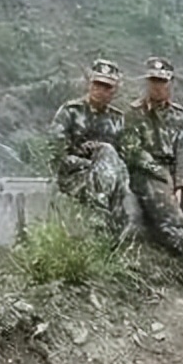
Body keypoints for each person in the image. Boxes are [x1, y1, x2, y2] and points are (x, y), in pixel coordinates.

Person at [122, 57, 183, 279]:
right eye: (153, 81)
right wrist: (162, 175)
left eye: (162, 81)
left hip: (173, 174)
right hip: (147, 174)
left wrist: (179, 184)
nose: (157, 86)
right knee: (175, 223)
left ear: (170, 84)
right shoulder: (133, 113)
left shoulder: (179, 115)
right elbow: (132, 151)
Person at [47, 59, 138, 233]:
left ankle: (115, 236)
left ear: (114, 91)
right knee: (107, 151)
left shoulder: (117, 118)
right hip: (76, 175)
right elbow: (55, 152)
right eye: (97, 84)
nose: (100, 90)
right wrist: (88, 162)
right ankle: (100, 217)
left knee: (111, 157)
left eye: (106, 87)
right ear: (89, 84)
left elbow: (125, 155)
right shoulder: (71, 111)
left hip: (110, 178)